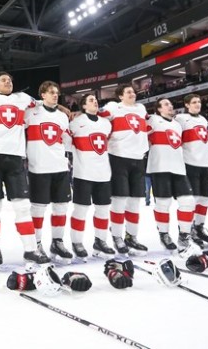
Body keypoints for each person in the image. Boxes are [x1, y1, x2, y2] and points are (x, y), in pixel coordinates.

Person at [0, 71, 49, 266]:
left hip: (15, 158)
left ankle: (30, 249)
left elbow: (41, 103)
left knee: (22, 206)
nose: (8, 82)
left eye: (10, 80)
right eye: (4, 80)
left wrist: (62, 106)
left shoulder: (23, 98)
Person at [25, 81, 73, 262]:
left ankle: (57, 242)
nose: (55, 95)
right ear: (42, 95)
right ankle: (36, 244)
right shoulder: (31, 113)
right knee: (38, 209)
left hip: (60, 166)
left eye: (57, 93)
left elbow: (67, 140)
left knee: (61, 207)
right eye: (51, 92)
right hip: (39, 168)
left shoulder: (62, 116)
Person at [100, 85, 149, 254]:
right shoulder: (114, 107)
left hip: (138, 159)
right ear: (120, 96)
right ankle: (117, 236)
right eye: (128, 92)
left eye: (133, 91)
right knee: (119, 200)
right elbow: (99, 115)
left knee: (135, 202)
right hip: (118, 157)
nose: (132, 93)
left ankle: (132, 237)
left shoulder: (141, 109)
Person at [68, 94, 114, 258]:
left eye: (95, 99)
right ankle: (77, 242)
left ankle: (100, 241)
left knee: (102, 210)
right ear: (83, 106)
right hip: (83, 174)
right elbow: (67, 142)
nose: (95, 101)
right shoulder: (76, 123)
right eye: (90, 100)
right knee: (80, 210)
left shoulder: (106, 124)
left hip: (103, 174)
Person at [146, 98, 195, 251]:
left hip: (179, 169)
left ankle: (184, 235)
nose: (171, 106)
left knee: (188, 202)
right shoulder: (152, 120)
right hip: (160, 168)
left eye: (171, 104)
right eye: (166, 104)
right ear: (158, 109)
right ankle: (164, 234)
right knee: (163, 203)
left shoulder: (177, 124)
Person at [175, 94, 208, 246]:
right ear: (187, 105)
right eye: (194, 102)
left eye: (199, 101)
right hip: (190, 163)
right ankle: (186, 229)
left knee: (205, 198)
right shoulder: (181, 119)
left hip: (206, 164)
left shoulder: (203, 119)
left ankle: (198, 228)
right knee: (191, 200)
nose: (197, 104)